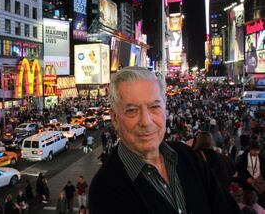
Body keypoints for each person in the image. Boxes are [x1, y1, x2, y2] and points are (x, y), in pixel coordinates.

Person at [89, 66, 240, 213]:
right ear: (115, 118)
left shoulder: (188, 156)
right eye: (131, 110)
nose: (146, 121)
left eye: (154, 107)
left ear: (165, 108)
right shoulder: (104, 189)